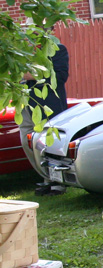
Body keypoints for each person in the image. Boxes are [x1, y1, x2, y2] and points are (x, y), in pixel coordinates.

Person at [19, 25, 69, 195]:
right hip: (26, 106)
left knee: (48, 144)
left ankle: (57, 182)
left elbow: (61, 76)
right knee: (27, 142)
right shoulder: (24, 53)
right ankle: (45, 177)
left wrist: (34, 75)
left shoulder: (58, 50)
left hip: (48, 107)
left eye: (37, 30)